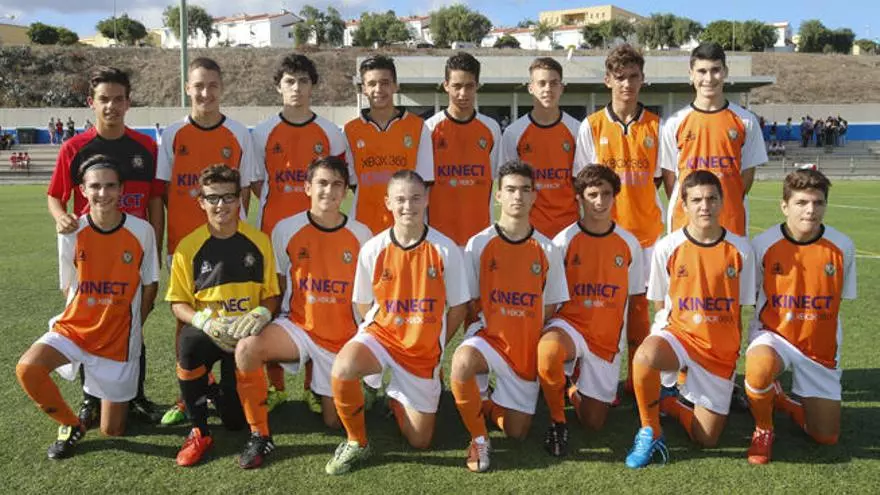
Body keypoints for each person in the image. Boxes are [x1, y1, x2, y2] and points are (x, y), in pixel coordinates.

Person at [325, 170, 469, 475]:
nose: (408, 206)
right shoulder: (373, 248)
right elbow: (362, 303)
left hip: (421, 350)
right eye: (400, 199)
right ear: (388, 202)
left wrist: (438, 342)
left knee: (420, 440)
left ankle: (395, 397)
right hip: (383, 336)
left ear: (427, 199)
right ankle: (357, 441)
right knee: (343, 368)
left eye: (415, 198)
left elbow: (458, 307)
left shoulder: (446, 249)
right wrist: (379, 333)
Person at [16, 155, 159, 459]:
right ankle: (70, 424)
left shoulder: (142, 230)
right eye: (95, 186)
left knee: (113, 430)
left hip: (118, 340)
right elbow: (67, 284)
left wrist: (135, 324)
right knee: (28, 368)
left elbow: (150, 285)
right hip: (76, 330)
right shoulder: (71, 229)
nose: (103, 193)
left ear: (122, 189)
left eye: (110, 186)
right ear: (82, 190)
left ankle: (111, 400)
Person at [233, 156, 371, 469]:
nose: (329, 191)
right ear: (307, 187)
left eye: (336, 184)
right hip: (298, 327)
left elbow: (365, 296)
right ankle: (259, 434)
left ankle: (339, 385)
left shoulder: (362, 234)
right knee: (247, 348)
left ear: (345, 191)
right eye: (322, 183)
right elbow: (280, 283)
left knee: (334, 422)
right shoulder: (286, 229)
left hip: (340, 338)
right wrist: (265, 313)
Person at [46, 66, 164, 427]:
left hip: (132, 253)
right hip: (91, 257)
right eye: (104, 99)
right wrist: (60, 217)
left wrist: (155, 250)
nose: (111, 106)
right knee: (90, 322)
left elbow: (155, 201)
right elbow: (55, 195)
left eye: (118, 99)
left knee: (133, 325)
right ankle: (90, 399)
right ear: (91, 103)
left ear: (128, 103)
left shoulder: (146, 147)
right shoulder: (74, 148)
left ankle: (135, 396)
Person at [625, 170, 756, 468]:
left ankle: (671, 402)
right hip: (680, 334)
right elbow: (660, 303)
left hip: (718, 349)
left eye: (711, 199)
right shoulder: (667, 247)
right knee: (645, 356)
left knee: (706, 438)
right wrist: (661, 339)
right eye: (696, 200)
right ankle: (651, 430)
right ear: (683, 205)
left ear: (722, 202)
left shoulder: (741, 250)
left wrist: (732, 355)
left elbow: (739, 309)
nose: (704, 206)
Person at [157, 57, 259, 426]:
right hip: (185, 245)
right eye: (198, 85)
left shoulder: (238, 133)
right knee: (185, 323)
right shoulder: (172, 134)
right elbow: (162, 192)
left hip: (230, 243)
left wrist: (234, 234)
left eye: (212, 85)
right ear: (188, 88)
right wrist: (166, 242)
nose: (206, 93)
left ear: (222, 87)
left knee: (234, 312)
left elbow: (244, 192)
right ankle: (188, 396)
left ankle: (234, 386)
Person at [451, 160, 568, 472]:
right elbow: (472, 301)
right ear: (498, 195)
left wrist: (526, 333)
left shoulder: (548, 248)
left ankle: (485, 402)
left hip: (524, 345)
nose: (518, 196)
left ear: (534, 196)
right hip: (490, 337)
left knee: (517, 432)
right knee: (462, 363)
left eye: (525, 190)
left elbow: (549, 306)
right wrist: (483, 332)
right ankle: (478, 438)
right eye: (511, 189)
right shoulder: (478, 243)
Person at [166, 164, 280, 467]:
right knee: (188, 342)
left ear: (240, 199)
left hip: (242, 336)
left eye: (229, 197)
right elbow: (178, 303)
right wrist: (204, 321)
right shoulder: (188, 247)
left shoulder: (259, 241)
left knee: (234, 421)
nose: (221, 205)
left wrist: (261, 312)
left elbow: (272, 294)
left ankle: (213, 390)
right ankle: (199, 431)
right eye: (212, 198)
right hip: (210, 331)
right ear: (201, 201)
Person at [744, 169, 856, 465]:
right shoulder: (763, 244)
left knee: (826, 437)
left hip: (819, 346)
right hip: (774, 335)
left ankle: (782, 400)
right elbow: (753, 295)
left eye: (818, 203)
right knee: (759, 367)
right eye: (802, 202)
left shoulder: (843, 246)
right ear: (785, 206)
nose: (810, 210)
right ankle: (764, 428)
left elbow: (838, 299)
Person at [574, 44, 662, 399]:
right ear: (607, 80)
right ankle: (593, 377)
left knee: (642, 314)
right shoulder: (592, 126)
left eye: (633, 77)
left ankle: (638, 380)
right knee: (604, 311)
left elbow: (658, 179)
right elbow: (584, 183)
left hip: (648, 236)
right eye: (620, 77)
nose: (627, 84)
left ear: (643, 79)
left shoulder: (657, 125)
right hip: (606, 237)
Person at [538, 165, 643, 456]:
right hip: (569, 325)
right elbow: (550, 297)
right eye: (592, 194)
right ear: (579, 198)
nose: (600, 201)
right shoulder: (563, 241)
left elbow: (635, 301)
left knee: (594, 423)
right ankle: (558, 422)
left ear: (615, 196)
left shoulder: (629, 243)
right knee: (548, 352)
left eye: (606, 194)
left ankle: (571, 386)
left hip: (606, 339)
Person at [660, 42, 767, 237]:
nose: (708, 78)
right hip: (684, 225)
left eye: (715, 70)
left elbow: (747, 176)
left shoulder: (746, 121)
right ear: (691, 74)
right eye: (702, 71)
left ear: (725, 72)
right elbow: (670, 179)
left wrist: (728, 200)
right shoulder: (675, 122)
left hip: (731, 223)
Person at [344, 55, 434, 234]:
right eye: (372, 84)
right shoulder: (350, 130)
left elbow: (425, 182)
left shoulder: (418, 127)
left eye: (385, 83)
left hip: (406, 227)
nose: (378, 89)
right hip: (364, 225)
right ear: (364, 89)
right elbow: (353, 183)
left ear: (395, 86)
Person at [424, 52, 501, 246]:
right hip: (438, 237)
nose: (463, 93)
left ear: (477, 86)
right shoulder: (429, 129)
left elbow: (495, 178)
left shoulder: (491, 129)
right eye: (457, 86)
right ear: (446, 85)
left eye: (469, 86)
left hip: (480, 236)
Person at [501, 57, 580, 239]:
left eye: (554, 83)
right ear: (531, 88)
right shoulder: (514, 133)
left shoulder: (577, 130)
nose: (547, 89)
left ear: (561, 87)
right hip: (528, 230)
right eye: (542, 83)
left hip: (569, 229)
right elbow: (509, 186)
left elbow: (582, 184)